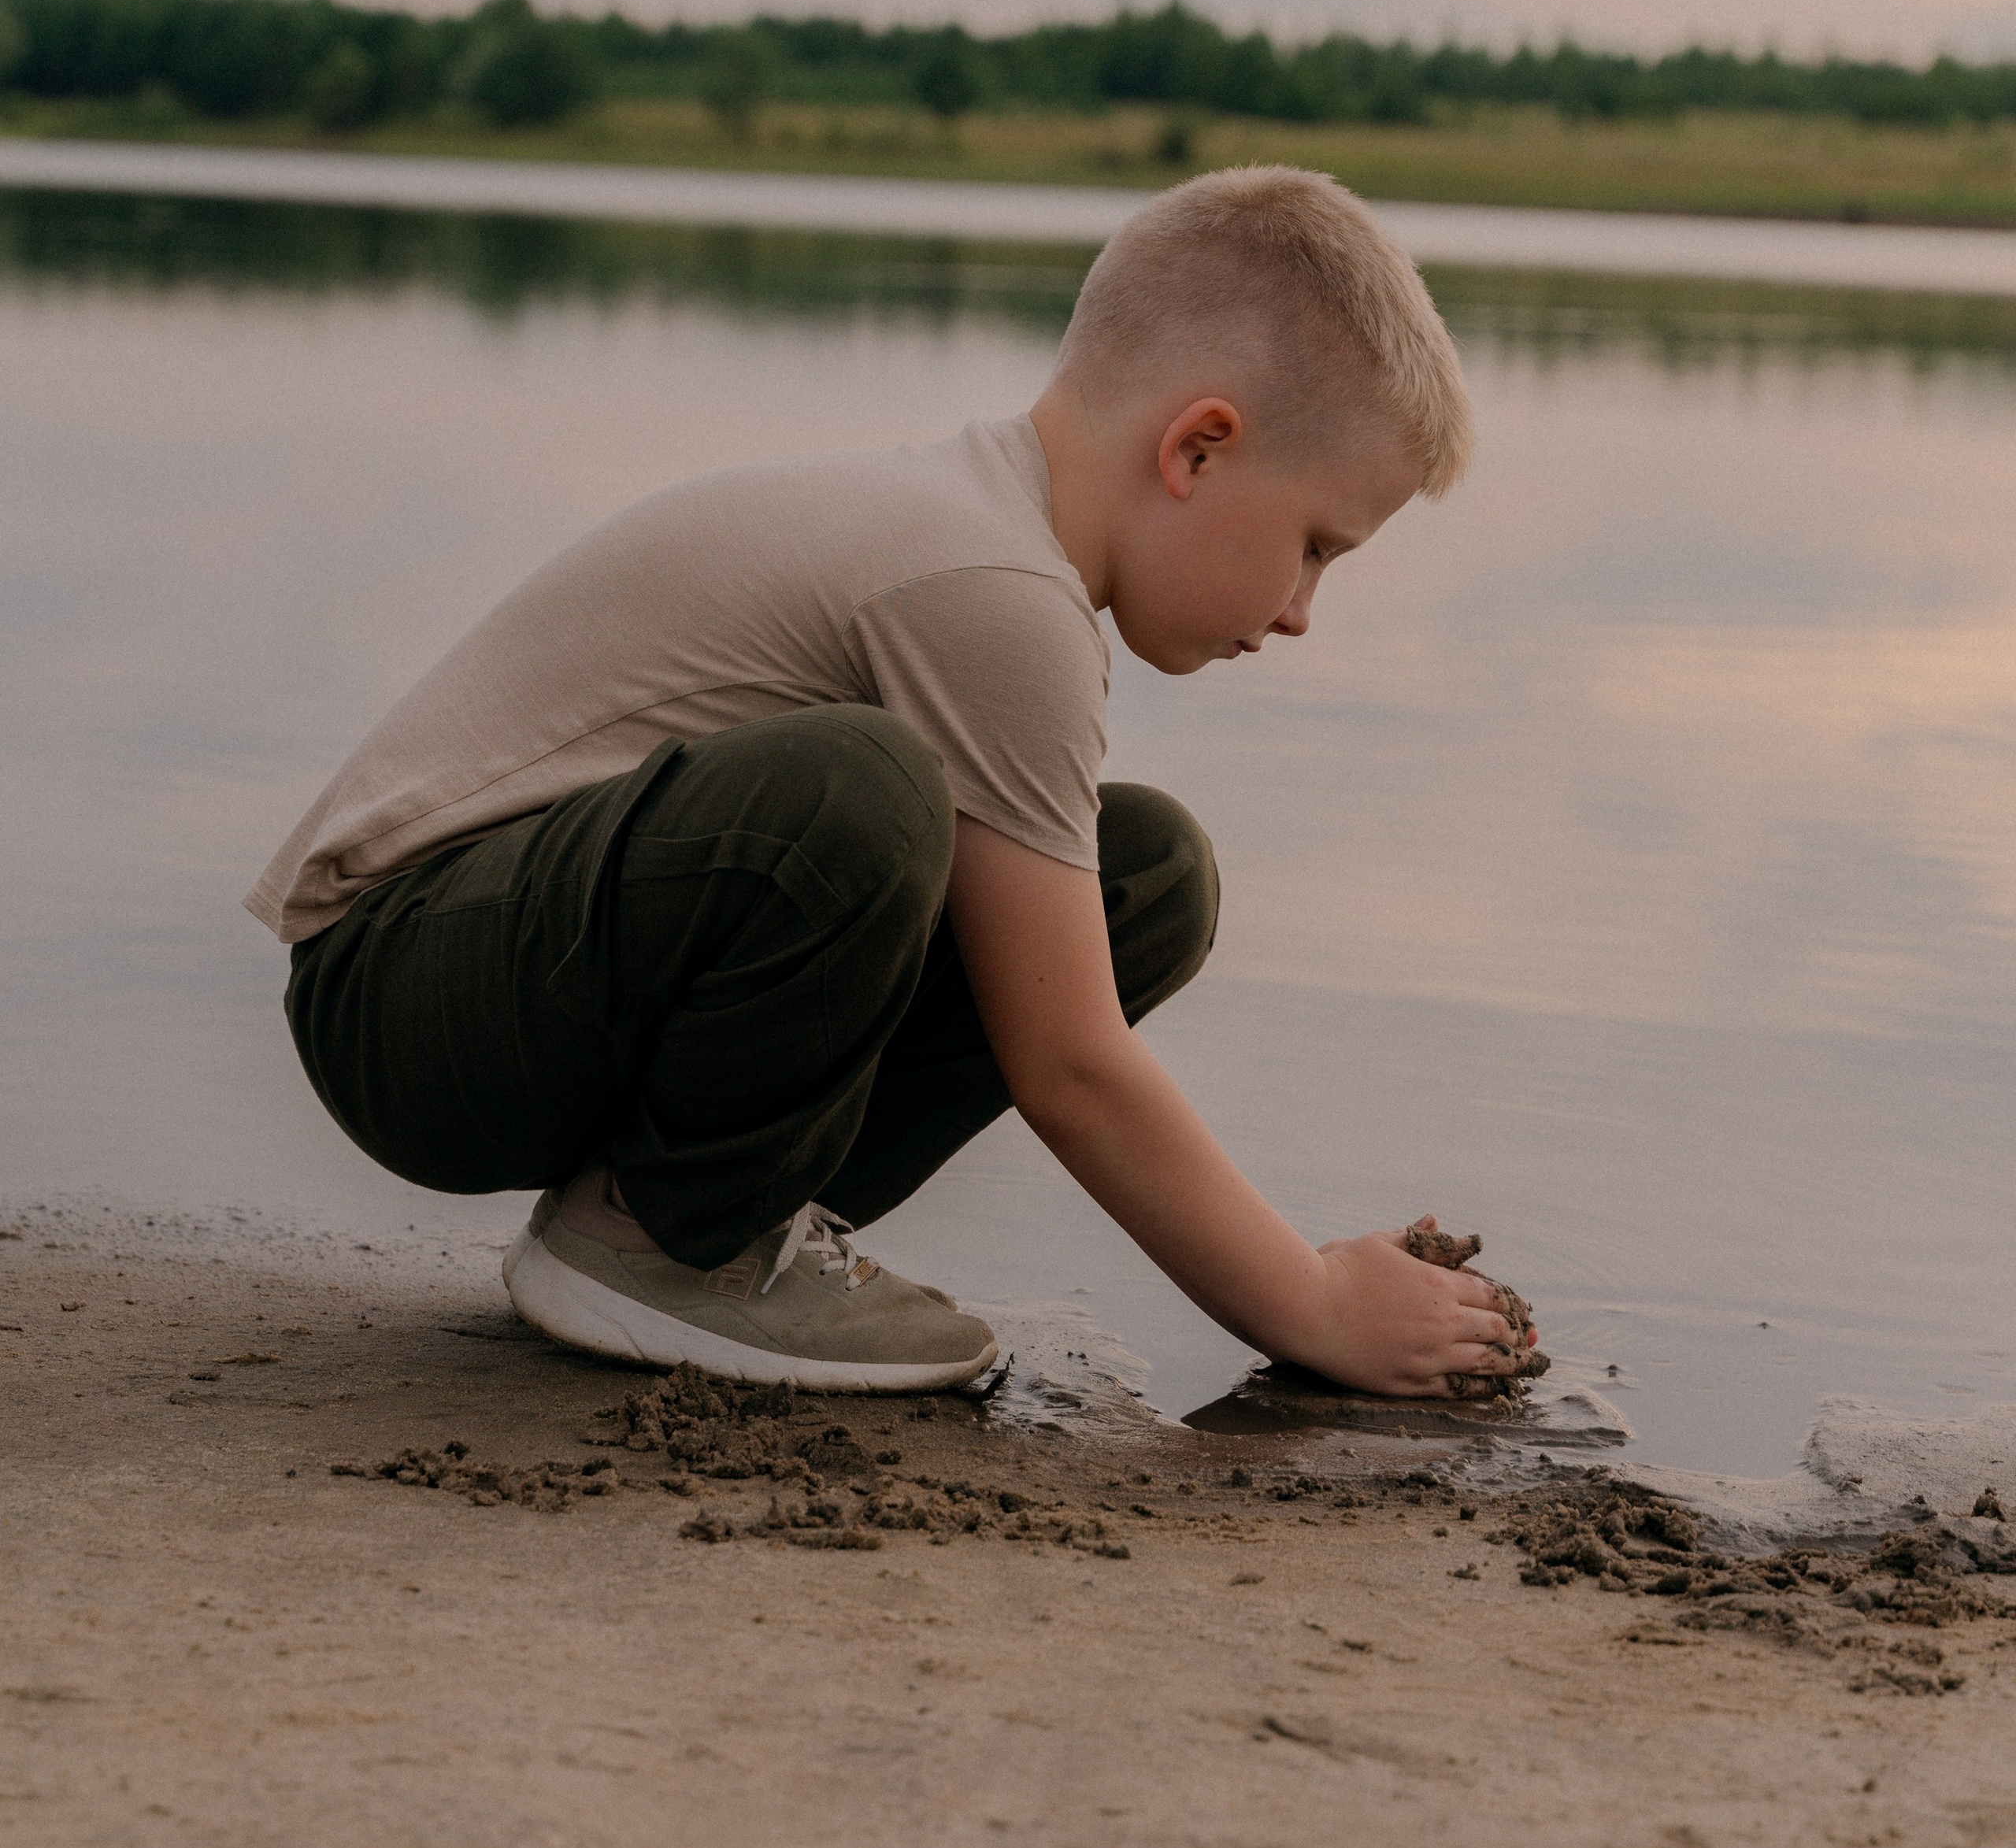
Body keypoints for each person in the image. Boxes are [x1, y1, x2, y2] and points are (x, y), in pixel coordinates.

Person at [249, 165, 1533, 1400]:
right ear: (1198, 448)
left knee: (1142, 873)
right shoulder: (993, 595)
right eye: (1314, 546)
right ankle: (662, 1248)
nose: (1306, 611)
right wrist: (1310, 1302)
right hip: (403, 989)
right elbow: (1070, 1067)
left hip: (530, 976)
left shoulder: (993, 547)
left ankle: (703, 1213)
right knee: (865, 793)